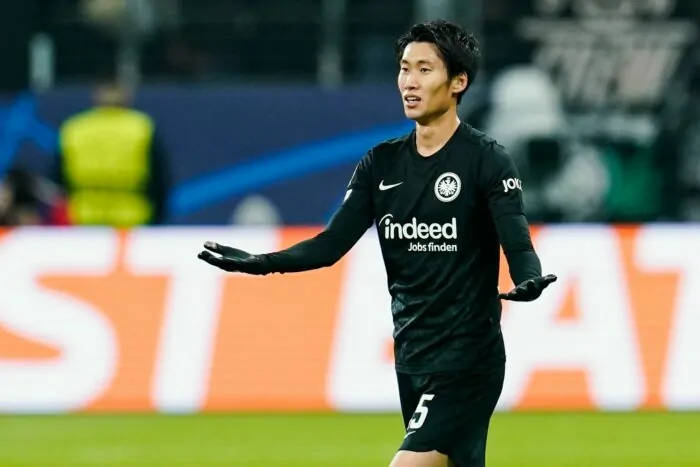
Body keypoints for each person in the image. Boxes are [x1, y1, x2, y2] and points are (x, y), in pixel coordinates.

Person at [198, 19, 556, 467]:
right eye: (405, 68)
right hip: (412, 357)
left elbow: (516, 241)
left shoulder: (486, 159)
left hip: (468, 359)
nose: (409, 81)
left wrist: (528, 277)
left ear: (458, 81)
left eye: (424, 69)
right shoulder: (381, 164)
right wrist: (261, 261)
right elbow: (331, 245)